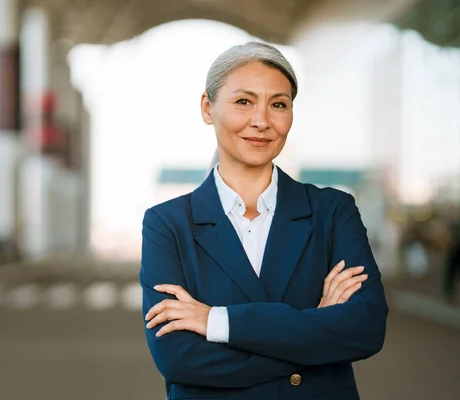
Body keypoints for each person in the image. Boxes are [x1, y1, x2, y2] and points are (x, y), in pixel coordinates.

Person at [140, 42, 388, 400]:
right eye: (244, 101)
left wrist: (217, 322)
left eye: (278, 104)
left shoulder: (332, 211)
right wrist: (315, 330)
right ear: (207, 108)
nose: (262, 120)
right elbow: (179, 358)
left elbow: (365, 329)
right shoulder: (168, 224)